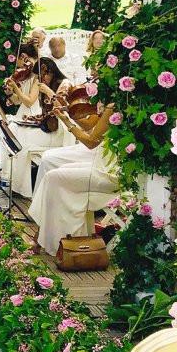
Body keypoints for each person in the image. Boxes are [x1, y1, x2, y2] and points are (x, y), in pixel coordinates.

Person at [28, 102, 119, 255]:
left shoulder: (113, 107)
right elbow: (94, 131)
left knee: (53, 177)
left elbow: (91, 142)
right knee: (57, 173)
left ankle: (46, 237)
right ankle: (55, 235)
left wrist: (66, 121)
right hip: (103, 165)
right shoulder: (116, 104)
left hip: (109, 173)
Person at [0, 57, 72, 197]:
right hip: (47, 127)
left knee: (17, 135)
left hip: (59, 132)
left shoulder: (64, 83)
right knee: (12, 130)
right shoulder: (43, 84)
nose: (42, 79)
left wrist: (48, 92)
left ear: (51, 71)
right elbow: (45, 112)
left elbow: (65, 108)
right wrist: (35, 119)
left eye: (44, 75)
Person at [0, 43, 40, 158]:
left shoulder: (37, 75)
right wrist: (9, 93)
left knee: (3, 131)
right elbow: (17, 101)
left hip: (32, 114)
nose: (17, 64)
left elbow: (29, 102)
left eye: (17, 60)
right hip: (22, 112)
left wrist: (15, 87)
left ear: (23, 56)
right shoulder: (26, 74)